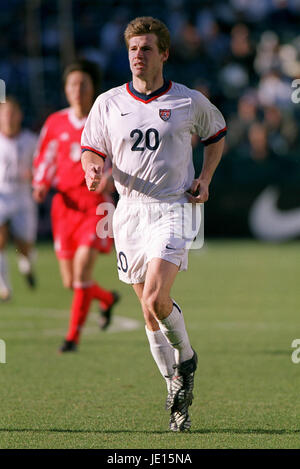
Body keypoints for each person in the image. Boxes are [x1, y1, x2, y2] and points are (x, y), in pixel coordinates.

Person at [81, 17, 226, 432]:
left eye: (146, 48)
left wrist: (206, 178)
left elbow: (216, 134)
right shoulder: (109, 103)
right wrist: (93, 171)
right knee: (148, 315)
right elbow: (91, 149)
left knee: (157, 299)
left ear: (164, 53)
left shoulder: (187, 100)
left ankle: (187, 359)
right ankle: (175, 389)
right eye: (132, 49)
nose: (138, 56)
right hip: (128, 212)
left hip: (173, 207)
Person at [33, 60, 119, 353]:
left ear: (93, 88)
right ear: (66, 89)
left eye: (83, 84)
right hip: (64, 205)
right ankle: (106, 299)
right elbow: (45, 157)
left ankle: (72, 339)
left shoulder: (107, 119)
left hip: (95, 204)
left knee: (82, 272)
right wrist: (41, 183)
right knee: (71, 281)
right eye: (72, 84)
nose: (78, 90)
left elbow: (120, 157)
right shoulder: (55, 122)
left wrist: (110, 178)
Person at [0, 96, 38, 301]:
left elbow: (40, 166)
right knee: (1, 240)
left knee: (25, 246)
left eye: (13, 113)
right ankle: (4, 288)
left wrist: (34, 175)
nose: (9, 118)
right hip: (2, 196)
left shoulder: (30, 140)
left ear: (20, 116)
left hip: (23, 198)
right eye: (5, 113)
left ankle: (27, 265)